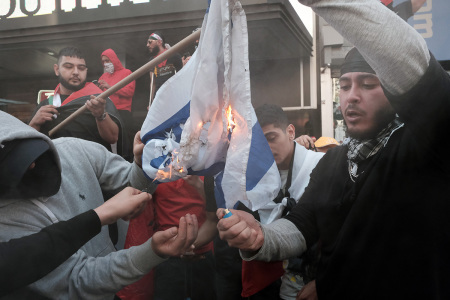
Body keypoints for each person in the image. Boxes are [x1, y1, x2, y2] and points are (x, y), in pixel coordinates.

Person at [217, 0, 450, 299]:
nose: (351, 97)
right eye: (345, 85)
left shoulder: (427, 144)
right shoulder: (334, 161)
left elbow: (414, 64)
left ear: (394, 91)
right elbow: (301, 226)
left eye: (368, 84)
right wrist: (261, 237)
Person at [0, 110, 198, 299]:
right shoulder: (6, 222)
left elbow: (133, 188)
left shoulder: (72, 149)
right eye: (18, 166)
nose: (33, 165)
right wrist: (149, 253)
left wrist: (140, 165)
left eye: (32, 154)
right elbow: (78, 280)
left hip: (118, 283)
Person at [238, 104, 324, 299]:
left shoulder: (321, 166)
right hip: (279, 282)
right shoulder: (255, 182)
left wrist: (324, 280)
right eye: (259, 142)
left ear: (290, 131)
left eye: (271, 138)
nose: (266, 148)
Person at [29, 47, 127, 156]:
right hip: (58, 168)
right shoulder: (46, 105)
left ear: (86, 71)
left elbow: (113, 138)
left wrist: (100, 115)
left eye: (81, 68)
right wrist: (34, 123)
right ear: (57, 70)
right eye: (68, 67)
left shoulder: (98, 99)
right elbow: (30, 145)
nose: (76, 72)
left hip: (92, 168)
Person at [151, 175, 218, 300]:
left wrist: (198, 184)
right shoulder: (157, 169)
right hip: (167, 257)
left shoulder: (207, 166)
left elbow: (216, 216)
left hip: (202, 253)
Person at [98, 48, 136, 159]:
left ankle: (128, 163)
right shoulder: (103, 77)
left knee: (124, 142)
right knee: (107, 140)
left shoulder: (127, 73)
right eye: (103, 61)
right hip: (108, 112)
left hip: (123, 112)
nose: (105, 64)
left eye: (107, 60)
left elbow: (130, 92)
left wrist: (110, 87)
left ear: (114, 59)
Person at [147, 31, 183, 102]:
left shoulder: (174, 56)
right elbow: (153, 83)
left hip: (173, 95)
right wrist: (151, 102)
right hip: (159, 97)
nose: (147, 45)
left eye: (150, 42)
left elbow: (181, 77)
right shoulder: (152, 60)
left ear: (159, 42)